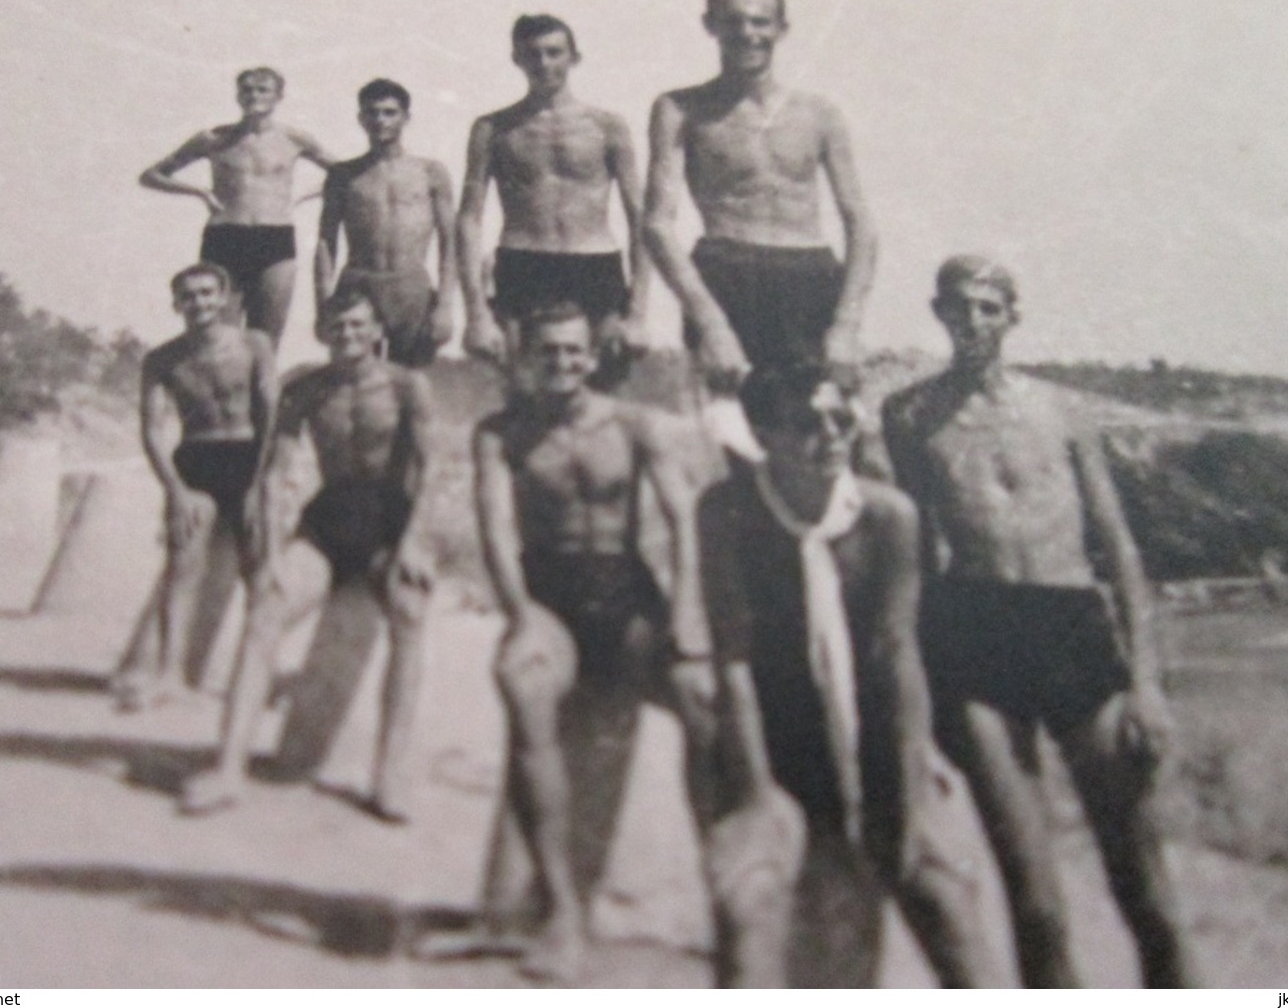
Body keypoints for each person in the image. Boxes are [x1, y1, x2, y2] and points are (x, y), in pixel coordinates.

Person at [444, 302, 796, 986]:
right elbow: (495, 533)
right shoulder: (502, 433)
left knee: (705, 704)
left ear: (592, 355)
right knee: (524, 684)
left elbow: (684, 522)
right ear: (525, 356)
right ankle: (562, 914)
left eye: (574, 352)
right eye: (548, 352)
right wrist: (520, 616)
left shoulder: (634, 426)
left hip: (629, 598)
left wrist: (687, 618)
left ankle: (730, 908)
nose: (562, 365)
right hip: (551, 601)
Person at [881, 256, 1198, 988]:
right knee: (1035, 899)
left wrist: (1147, 685)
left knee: (1144, 886)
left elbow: (1118, 548)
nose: (973, 323)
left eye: (989, 309)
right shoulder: (908, 416)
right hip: (977, 630)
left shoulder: (1060, 411)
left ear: (1012, 318)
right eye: (959, 308)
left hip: (1072, 627)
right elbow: (920, 557)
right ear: (938, 313)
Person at [697, 363, 997, 987]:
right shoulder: (730, 512)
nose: (833, 436)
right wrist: (755, 798)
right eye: (809, 423)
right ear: (763, 432)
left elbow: (897, 655)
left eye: (843, 419)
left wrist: (910, 796)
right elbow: (734, 657)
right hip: (776, 749)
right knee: (749, 904)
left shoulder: (888, 516)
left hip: (876, 740)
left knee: (943, 896)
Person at [179, 285, 434, 821]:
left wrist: (412, 541)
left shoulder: (409, 387)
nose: (347, 336)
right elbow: (274, 476)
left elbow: (428, 470)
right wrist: (270, 554)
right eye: (337, 327)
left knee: (410, 617)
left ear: (378, 333)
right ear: (324, 332)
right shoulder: (307, 389)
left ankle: (390, 774)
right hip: (330, 520)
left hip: (389, 521)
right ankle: (229, 767)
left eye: (359, 326)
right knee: (265, 613)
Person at [643, 0, 878, 392]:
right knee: (726, 432)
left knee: (821, 433)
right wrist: (711, 323)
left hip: (809, 277)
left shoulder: (819, 113)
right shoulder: (681, 109)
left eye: (760, 22)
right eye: (732, 21)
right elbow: (657, 224)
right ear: (710, 25)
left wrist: (846, 324)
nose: (747, 33)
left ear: (781, 29)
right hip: (726, 274)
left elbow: (859, 220)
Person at [456, 15, 648, 388]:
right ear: (517, 59)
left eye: (554, 53)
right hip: (524, 264)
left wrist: (639, 312)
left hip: (595, 266)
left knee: (603, 391)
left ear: (574, 57)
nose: (543, 63)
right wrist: (476, 313)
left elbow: (639, 215)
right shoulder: (492, 129)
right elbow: (467, 219)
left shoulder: (607, 126)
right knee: (524, 390)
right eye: (533, 54)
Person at [122, 262, 276, 710]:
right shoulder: (164, 359)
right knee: (182, 569)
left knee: (259, 572)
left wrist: (261, 485)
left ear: (224, 296)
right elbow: (152, 429)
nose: (200, 303)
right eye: (189, 296)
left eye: (208, 293)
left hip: (248, 456)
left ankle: (254, 680)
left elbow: (270, 418)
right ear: (177, 304)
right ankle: (170, 675)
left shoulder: (254, 345)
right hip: (196, 461)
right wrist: (175, 490)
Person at [140, 67, 337, 345]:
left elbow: (344, 175)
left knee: (265, 342)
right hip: (225, 239)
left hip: (275, 239)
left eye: (262, 90)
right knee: (221, 341)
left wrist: (304, 196)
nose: (253, 96)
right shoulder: (213, 139)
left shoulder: (294, 139)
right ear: (237, 95)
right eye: (246, 90)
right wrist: (199, 192)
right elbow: (151, 175)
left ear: (278, 96)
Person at [314, 78, 457, 367]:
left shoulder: (429, 171)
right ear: (361, 118)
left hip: (411, 287)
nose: (381, 120)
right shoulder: (343, 174)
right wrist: (322, 304)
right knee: (357, 379)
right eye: (372, 112)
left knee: (412, 380)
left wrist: (445, 306)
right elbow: (325, 242)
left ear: (406, 117)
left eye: (390, 112)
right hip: (358, 285)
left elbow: (449, 242)